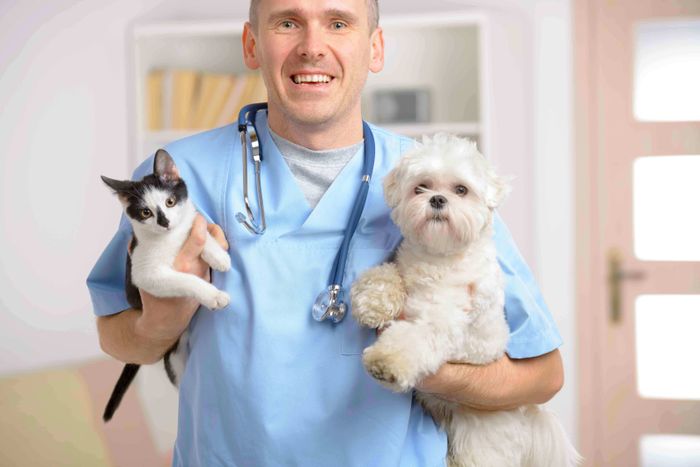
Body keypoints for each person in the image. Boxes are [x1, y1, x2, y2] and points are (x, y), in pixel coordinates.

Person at [87, 0, 565, 465]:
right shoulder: (184, 177)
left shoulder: (433, 182)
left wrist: (433, 369)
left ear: (375, 48)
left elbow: (543, 375)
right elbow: (116, 333)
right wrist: (160, 322)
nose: (312, 46)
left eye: (338, 23)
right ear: (252, 44)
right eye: (287, 22)